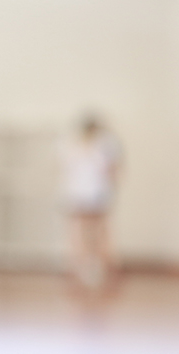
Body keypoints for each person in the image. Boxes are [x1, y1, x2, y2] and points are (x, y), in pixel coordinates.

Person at [60, 115, 122, 291]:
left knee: (84, 235)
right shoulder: (103, 144)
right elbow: (114, 171)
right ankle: (91, 274)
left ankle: (85, 274)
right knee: (95, 236)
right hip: (91, 195)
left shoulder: (78, 144)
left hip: (85, 195)